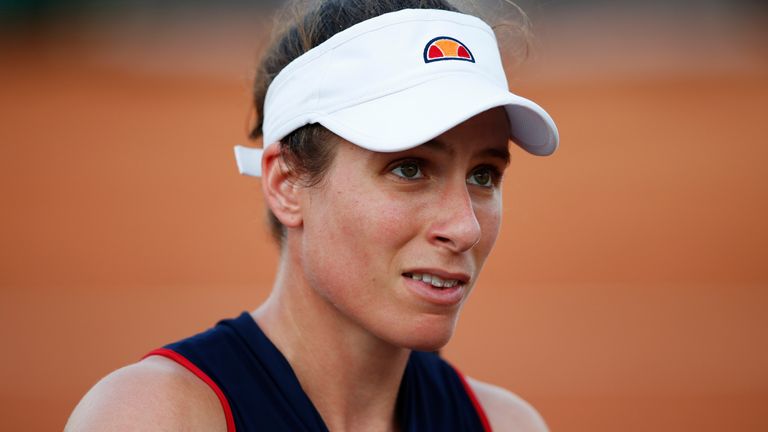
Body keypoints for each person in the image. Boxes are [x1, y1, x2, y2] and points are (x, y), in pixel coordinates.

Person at [66, 0, 559, 431]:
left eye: (484, 175)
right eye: (409, 168)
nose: (465, 228)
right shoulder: (155, 419)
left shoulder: (505, 424)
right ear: (286, 185)